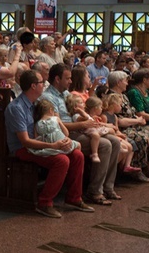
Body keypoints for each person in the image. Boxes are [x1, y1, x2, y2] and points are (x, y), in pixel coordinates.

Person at [5, 70, 92, 218]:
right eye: (41, 83)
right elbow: (25, 141)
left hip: (43, 143)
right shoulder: (17, 108)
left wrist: (63, 141)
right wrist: (54, 146)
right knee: (61, 160)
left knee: (77, 155)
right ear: (33, 86)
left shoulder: (35, 104)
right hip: (23, 148)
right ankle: (44, 202)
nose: (44, 85)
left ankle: (74, 197)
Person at [41, 64, 121, 204]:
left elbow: (79, 112)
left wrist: (86, 120)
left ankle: (107, 187)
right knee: (104, 144)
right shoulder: (48, 98)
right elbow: (56, 125)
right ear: (57, 79)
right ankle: (94, 192)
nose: (71, 81)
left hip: (78, 128)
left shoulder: (66, 94)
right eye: (68, 78)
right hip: (64, 134)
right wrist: (83, 124)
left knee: (114, 141)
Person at [107, 71, 149, 183]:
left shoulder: (124, 96)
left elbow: (132, 111)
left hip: (133, 124)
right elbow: (119, 120)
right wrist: (137, 120)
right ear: (118, 83)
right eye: (125, 81)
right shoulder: (111, 97)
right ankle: (136, 170)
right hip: (121, 128)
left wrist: (138, 119)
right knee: (142, 139)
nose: (127, 83)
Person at [100, 93, 140, 176]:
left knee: (131, 145)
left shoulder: (115, 117)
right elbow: (103, 130)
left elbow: (116, 129)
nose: (121, 107)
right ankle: (115, 166)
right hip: (109, 135)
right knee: (127, 147)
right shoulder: (104, 116)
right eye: (120, 105)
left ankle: (126, 165)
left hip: (115, 135)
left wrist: (120, 134)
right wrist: (117, 135)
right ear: (114, 105)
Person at [65, 95, 112, 163]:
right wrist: (80, 111)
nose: (84, 104)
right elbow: (86, 118)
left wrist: (93, 117)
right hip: (87, 130)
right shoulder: (76, 115)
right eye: (81, 103)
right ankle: (94, 154)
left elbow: (89, 118)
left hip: (92, 128)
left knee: (111, 132)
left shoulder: (83, 114)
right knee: (97, 136)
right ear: (75, 107)